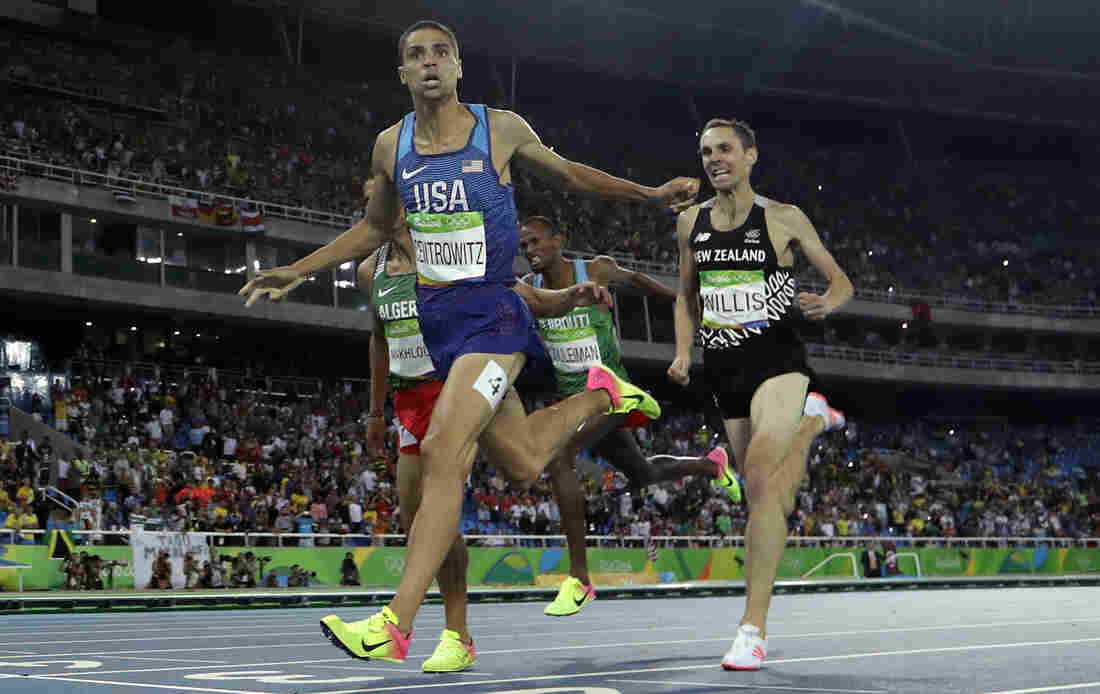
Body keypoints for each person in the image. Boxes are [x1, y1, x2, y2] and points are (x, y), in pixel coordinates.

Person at [238, 19, 697, 666]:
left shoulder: (499, 128)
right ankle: (599, 393)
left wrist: (649, 194)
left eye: (440, 54)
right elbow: (372, 231)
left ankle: (395, 625)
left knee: (443, 451)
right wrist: (299, 268)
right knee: (522, 461)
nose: (429, 64)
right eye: (415, 56)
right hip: (440, 330)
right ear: (402, 73)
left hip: (497, 317)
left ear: (457, 68)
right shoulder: (389, 147)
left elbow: (569, 175)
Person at [356, 205, 618, 672]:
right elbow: (379, 338)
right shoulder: (367, 271)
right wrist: (377, 411)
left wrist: (570, 296)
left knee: (461, 492)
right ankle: (456, 637)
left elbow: (522, 297)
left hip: (462, 381)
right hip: (410, 399)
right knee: (428, 516)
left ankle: (411, 627)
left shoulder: (451, 254)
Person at [668, 117, 852, 671]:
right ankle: (814, 422)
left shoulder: (782, 218)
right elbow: (685, 297)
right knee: (763, 496)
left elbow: (842, 281)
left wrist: (828, 302)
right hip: (723, 368)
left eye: (724, 149)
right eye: (705, 152)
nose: (713, 159)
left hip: (777, 361)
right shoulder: (689, 224)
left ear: (750, 155)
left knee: (759, 477)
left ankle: (753, 627)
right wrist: (682, 352)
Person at [519, 215, 741, 616]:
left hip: (610, 394)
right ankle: (710, 465)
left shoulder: (595, 270)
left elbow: (636, 278)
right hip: (572, 400)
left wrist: (682, 301)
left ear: (559, 239)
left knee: (560, 458)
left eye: (536, 242)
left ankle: (579, 579)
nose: (530, 251)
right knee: (642, 474)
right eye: (524, 247)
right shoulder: (531, 291)